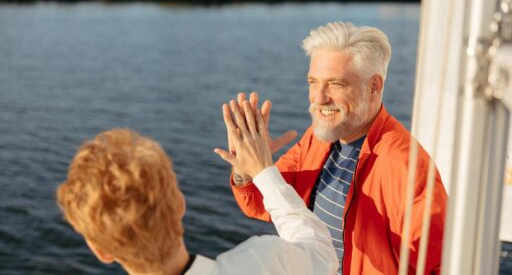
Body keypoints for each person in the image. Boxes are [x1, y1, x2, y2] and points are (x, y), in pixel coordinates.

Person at [225, 22, 448, 274]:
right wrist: (246, 169)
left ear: (374, 86)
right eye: (313, 82)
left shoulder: (406, 167)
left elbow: (442, 266)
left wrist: (262, 169)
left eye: (335, 84)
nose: (318, 98)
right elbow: (264, 202)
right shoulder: (318, 139)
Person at [56, 115, 338, 274]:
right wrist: (263, 171)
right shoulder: (260, 261)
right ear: (180, 204)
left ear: (100, 250)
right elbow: (320, 254)